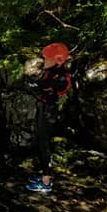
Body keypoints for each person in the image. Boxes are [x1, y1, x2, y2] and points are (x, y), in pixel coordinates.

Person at [25, 42, 71, 193]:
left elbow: (41, 87)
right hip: (43, 107)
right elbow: (38, 86)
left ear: (58, 60)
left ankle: (47, 180)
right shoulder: (51, 72)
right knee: (39, 140)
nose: (45, 60)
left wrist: (33, 85)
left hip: (49, 111)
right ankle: (44, 174)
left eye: (48, 58)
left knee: (44, 142)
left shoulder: (60, 77)